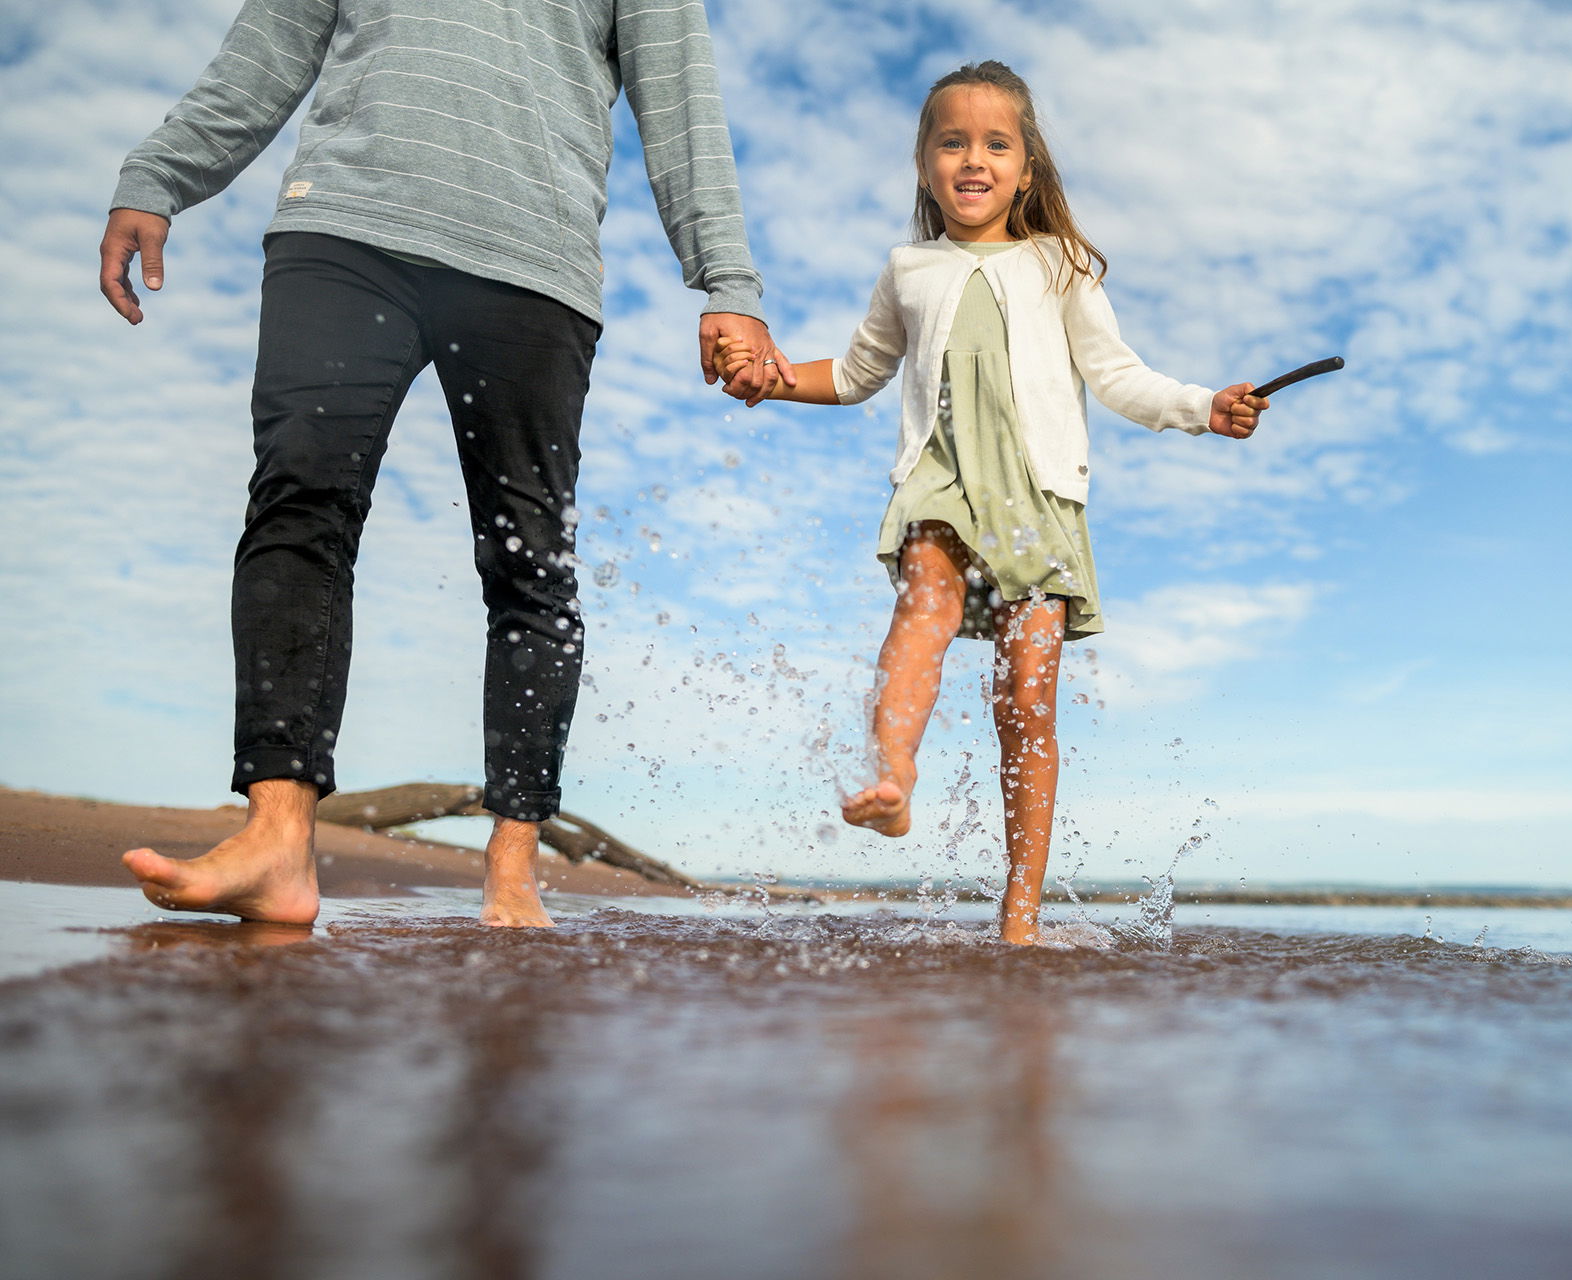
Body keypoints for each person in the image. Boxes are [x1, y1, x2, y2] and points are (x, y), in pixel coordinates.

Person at [101, 0, 792, 929]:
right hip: (343, 230)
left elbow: (681, 102)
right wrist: (158, 174)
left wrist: (728, 282)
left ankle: (512, 868)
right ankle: (276, 839)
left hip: (531, 263)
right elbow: (267, 49)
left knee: (528, 565)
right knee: (298, 501)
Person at [715, 61, 1266, 944]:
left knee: (1027, 698)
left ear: (1027, 167)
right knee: (923, 608)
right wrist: (774, 380)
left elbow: (1118, 377)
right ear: (927, 165)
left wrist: (1204, 408)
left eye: (995, 143)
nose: (974, 159)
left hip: (1038, 492)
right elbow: (858, 374)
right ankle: (892, 781)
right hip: (940, 477)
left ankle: (1020, 917)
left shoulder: (1060, 265)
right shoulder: (909, 268)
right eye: (953, 142)